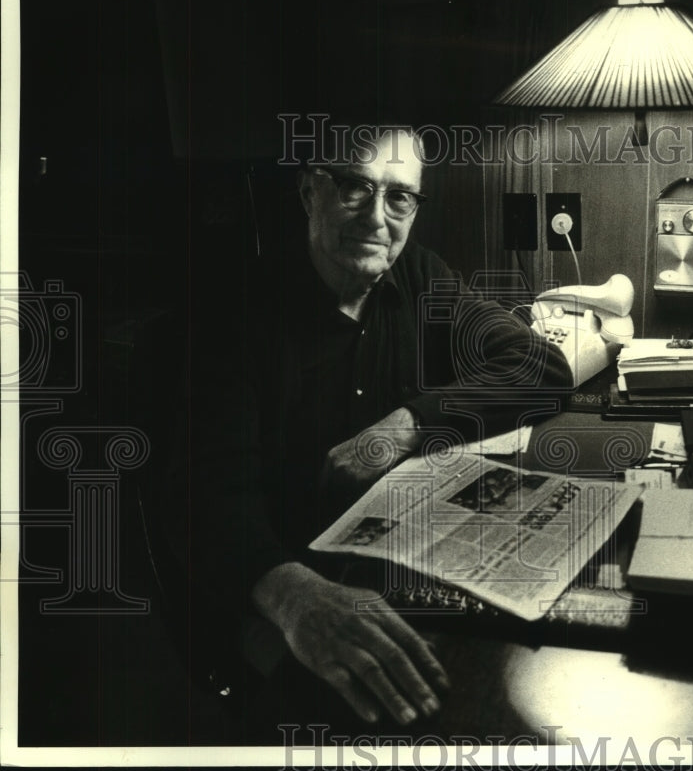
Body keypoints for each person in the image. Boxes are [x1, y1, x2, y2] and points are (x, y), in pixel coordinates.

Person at [172, 125, 573, 732]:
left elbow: (541, 364)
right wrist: (292, 597)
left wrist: (406, 423)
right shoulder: (234, 314)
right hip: (275, 590)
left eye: (400, 197)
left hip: (395, 567)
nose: (378, 218)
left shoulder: (417, 276)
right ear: (311, 193)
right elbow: (205, 499)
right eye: (356, 188)